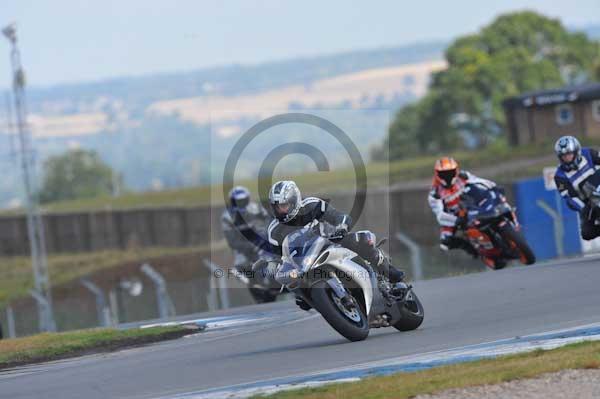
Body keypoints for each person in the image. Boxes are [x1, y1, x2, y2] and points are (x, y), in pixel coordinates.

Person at [266, 180, 405, 302]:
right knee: (299, 295)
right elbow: (279, 258)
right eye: (277, 207)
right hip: (305, 263)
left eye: (284, 205)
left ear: (293, 201)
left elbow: (338, 216)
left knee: (362, 240)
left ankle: (389, 272)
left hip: (332, 242)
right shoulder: (274, 231)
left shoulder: (312, 205)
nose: (281, 211)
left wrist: (342, 227)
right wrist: (272, 266)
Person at [428, 157, 499, 265]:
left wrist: (492, 186)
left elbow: (479, 181)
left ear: (456, 170)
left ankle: (510, 225)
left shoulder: (463, 176)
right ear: (437, 173)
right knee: (445, 242)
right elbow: (440, 215)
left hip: (473, 205)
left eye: (450, 172)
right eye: (444, 173)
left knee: (496, 206)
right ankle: (473, 250)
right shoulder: (434, 193)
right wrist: (456, 220)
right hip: (454, 216)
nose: (448, 175)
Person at [553, 135, 600, 240]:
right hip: (588, 201)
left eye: (569, 154)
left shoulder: (588, 153)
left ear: (576, 151)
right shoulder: (559, 176)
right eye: (564, 156)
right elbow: (569, 197)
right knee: (586, 233)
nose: (567, 158)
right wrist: (583, 208)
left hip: (599, 185)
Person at [221, 186, 272, 273]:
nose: (241, 203)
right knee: (242, 264)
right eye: (237, 201)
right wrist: (250, 246)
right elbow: (232, 241)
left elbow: (269, 220)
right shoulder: (227, 217)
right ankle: (250, 280)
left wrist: (265, 236)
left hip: (261, 243)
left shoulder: (256, 208)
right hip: (243, 250)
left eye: (243, 200)